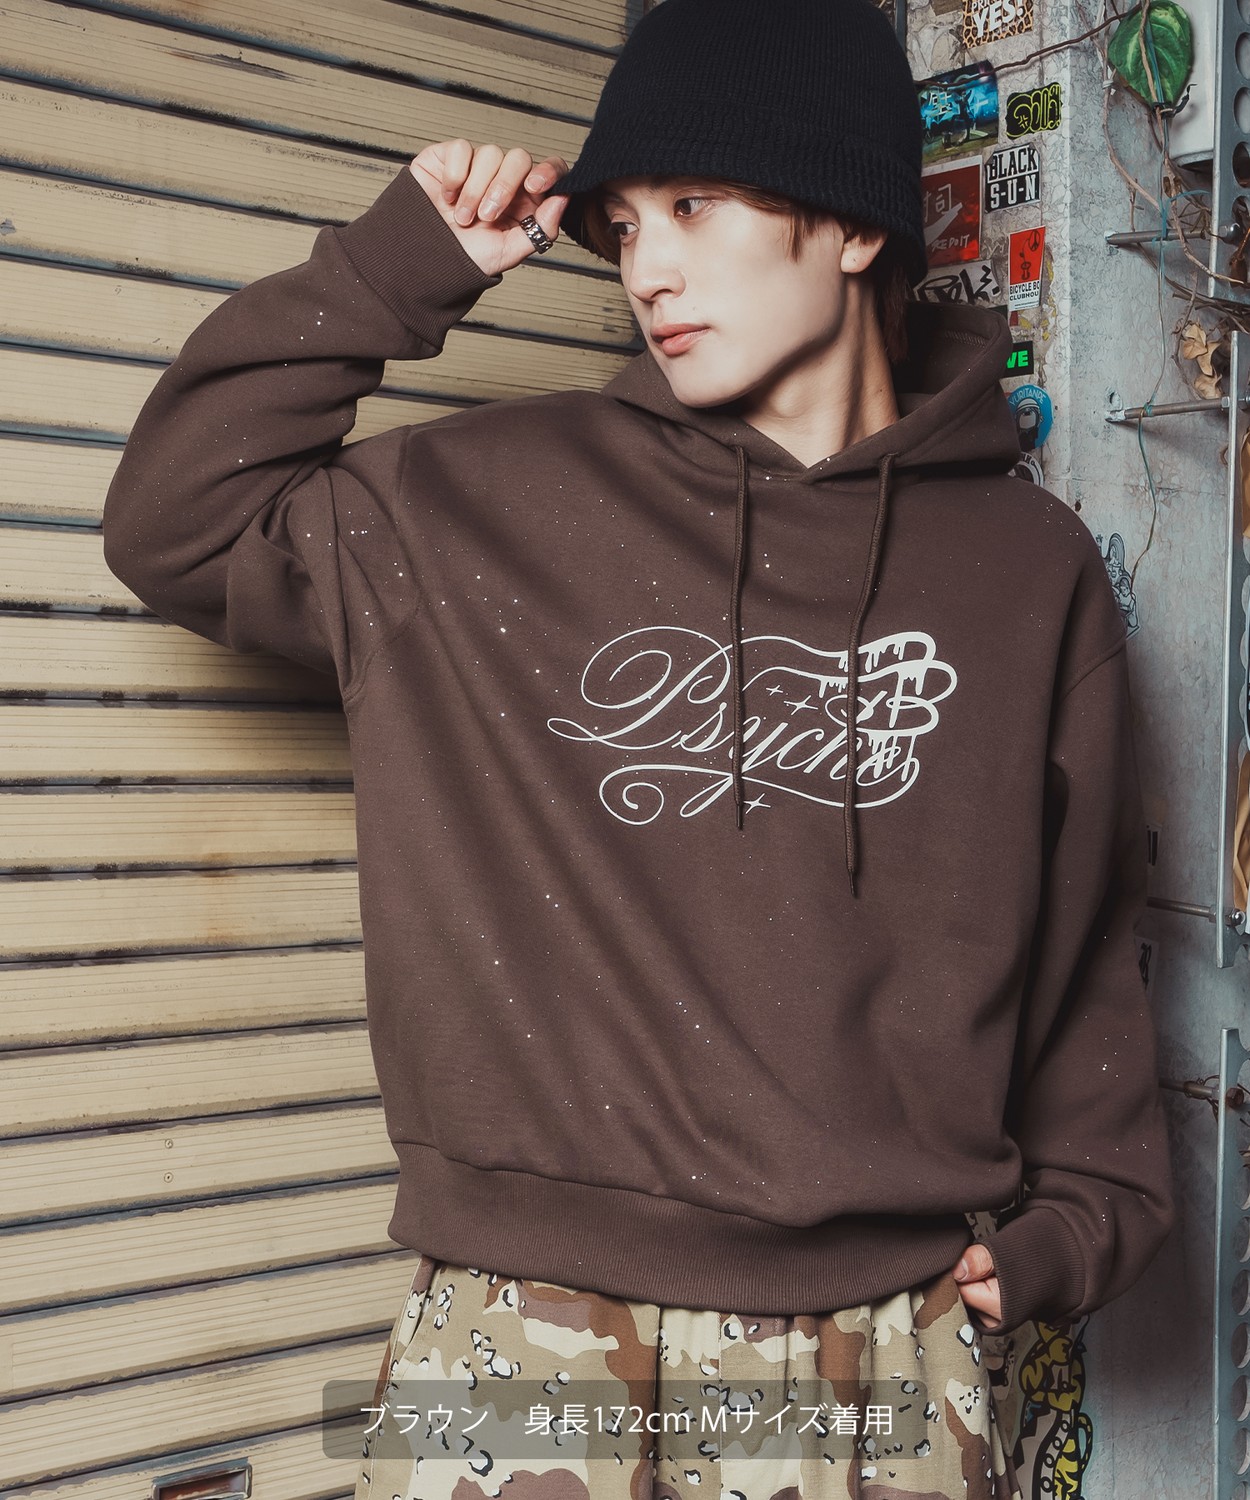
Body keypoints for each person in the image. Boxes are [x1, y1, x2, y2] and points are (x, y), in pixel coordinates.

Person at [100, 0, 1175, 1495]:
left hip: (871, 1337)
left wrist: (1089, 1216)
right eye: (619, 227)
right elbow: (173, 526)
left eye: (694, 206)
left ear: (853, 224)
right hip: (518, 1327)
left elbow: (1082, 934)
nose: (646, 267)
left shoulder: (1024, 569)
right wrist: (398, 265)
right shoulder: (480, 503)